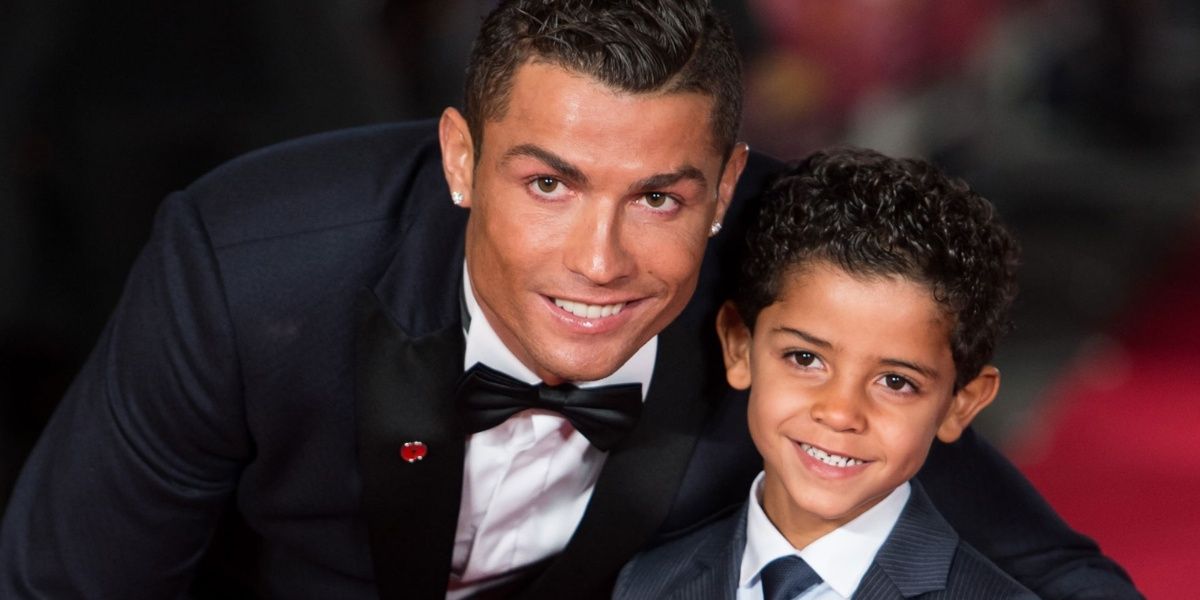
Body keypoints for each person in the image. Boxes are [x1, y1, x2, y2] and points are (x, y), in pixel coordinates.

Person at [0, 1, 1139, 599]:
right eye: (549, 184)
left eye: (660, 198)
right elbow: (72, 583)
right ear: (460, 158)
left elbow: (1036, 567)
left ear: (725, 189)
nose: (600, 261)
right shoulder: (251, 268)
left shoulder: (789, 277)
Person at [615, 147, 1038, 599]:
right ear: (740, 346)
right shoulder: (649, 582)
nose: (839, 413)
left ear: (960, 404)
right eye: (805, 359)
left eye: (896, 382)